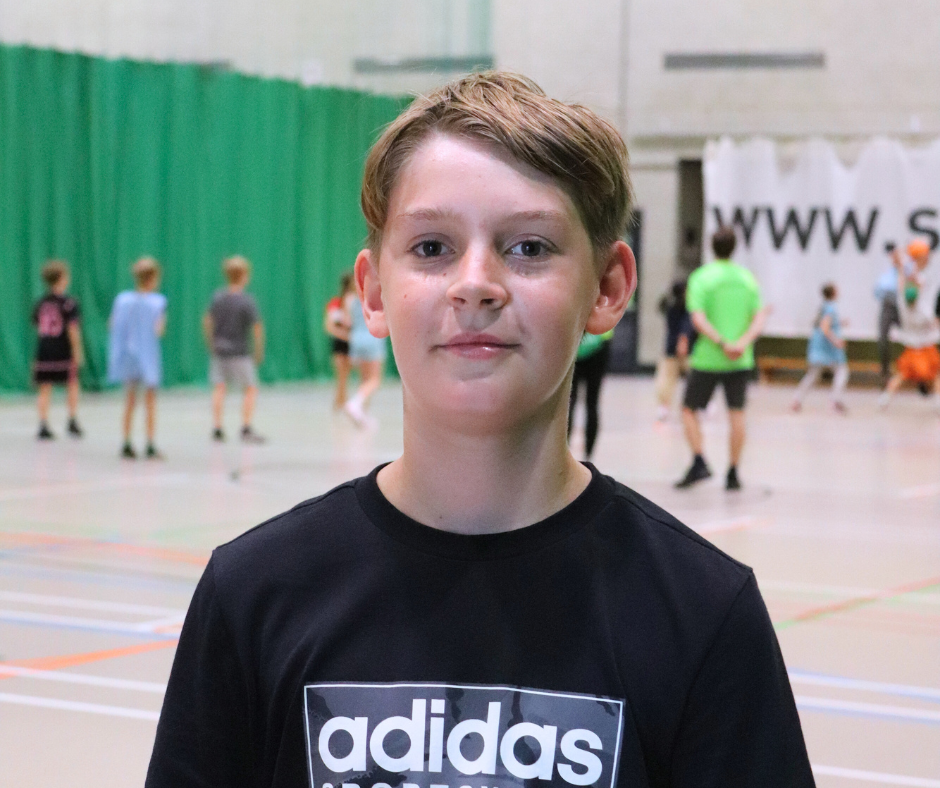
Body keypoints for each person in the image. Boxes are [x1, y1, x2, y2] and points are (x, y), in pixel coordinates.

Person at [147, 72, 813, 788]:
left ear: (609, 289)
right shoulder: (253, 595)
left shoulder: (705, 616)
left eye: (528, 247)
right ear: (372, 292)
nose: (476, 283)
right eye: (432, 247)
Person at [676, 226, 767, 490]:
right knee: (736, 414)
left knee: (689, 409)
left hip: (708, 358)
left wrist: (721, 342)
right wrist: (741, 343)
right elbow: (759, 317)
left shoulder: (702, 278)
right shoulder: (747, 279)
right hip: (740, 359)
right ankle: (733, 472)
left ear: (711, 247)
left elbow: (698, 318)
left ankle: (698, 460)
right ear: (734, 247)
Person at [107, 257, 167, 459]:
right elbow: (158, 330)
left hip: (128, 358)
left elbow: (112, 324)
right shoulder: (157, 302)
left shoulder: (122, 300)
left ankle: (126, 442)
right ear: (153, 279)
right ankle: (150, 444)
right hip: (147, 357)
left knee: (130, 401)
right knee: (150, 401)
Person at [204, 256, 266, 443]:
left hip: (220, 350)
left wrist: (211, 343)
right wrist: (258, 350)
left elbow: (207, 321)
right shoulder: (246, 301)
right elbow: (257, 328)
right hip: (240, 352)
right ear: (244, 276)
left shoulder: (218, 297)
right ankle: (246, 427)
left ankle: (217, 427)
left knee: (219, 387)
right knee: (250, 388)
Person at [877, 248, 940, 411]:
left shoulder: (904, 303)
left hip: (914, 344)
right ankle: (938, 402)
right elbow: (910, 282)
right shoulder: (919, 307)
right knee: (935, 374)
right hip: (923, 344)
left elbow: (903, 283)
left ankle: (885, 399)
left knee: (902, 374)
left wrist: (902, 265)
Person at [31, 260, 84, 439]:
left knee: (45, 387)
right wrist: (77, 351)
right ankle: (72, 420)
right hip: (62, 350)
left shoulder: (41, 303)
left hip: (44, 349)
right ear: (62, 279)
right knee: (72, 383)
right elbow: (72, 329)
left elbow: (37, 325)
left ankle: (43, 424)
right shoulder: (68, 303)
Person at [874, 239, 930, 383]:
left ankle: (919, 373)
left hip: (907, 308)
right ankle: (886, 372)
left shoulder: (909, 269)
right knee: (883, 338)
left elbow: (913, 280)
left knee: (917, 338)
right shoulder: (891, 273)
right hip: (891, 305)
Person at [790, 282, 850, 414]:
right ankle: (835, 400)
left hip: (819, 345)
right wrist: (836, 341)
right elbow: (825, 327)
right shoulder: (831, 308)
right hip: (827, 346)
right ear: (833, 292)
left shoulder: (825, 306)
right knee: (842, 371)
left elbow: (825, 322)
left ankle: (797, 399)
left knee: (814, 374)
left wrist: (840, 323)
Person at [342, 283, 386, 428]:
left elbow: (348, 321)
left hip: (356, 340)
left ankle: (362, 416)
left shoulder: (350, 299)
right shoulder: (379, 298)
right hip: (372, 339)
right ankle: (355, 403)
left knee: (364, 379)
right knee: (374, 380)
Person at [653, 279, 695, 421]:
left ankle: (700, 404)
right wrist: (682, 342)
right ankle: (664, 406)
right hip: (677, 348)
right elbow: (685, 327)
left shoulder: (681, 306)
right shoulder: (679, 307)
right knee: (667, 379)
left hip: (679, 348)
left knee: (693, 378)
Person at [567, 328, 612, 459]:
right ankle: (588, 456)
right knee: (592, 402)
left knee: (568, 402)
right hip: (600, 341)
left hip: (574, 342)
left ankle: (565, 455)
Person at [324, 272, 354, 409]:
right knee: (341, 376)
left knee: (346, 376)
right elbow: (329, 327)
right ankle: (340, 403)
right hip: (340, 343)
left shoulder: (357, 303)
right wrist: (344, 335)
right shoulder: (335, 303)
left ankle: (344, 403)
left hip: (353, 344)